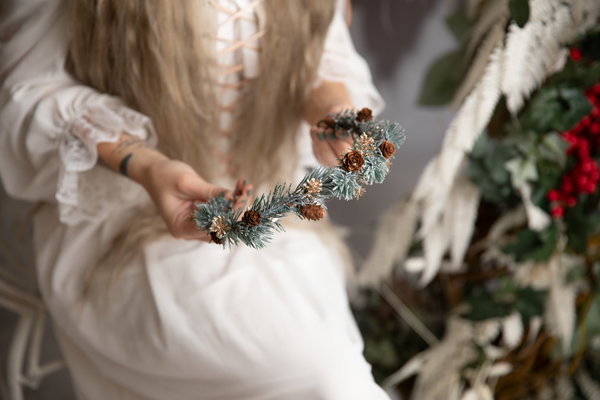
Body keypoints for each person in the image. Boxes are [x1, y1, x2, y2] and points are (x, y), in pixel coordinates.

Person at [0, 0, 388, 398]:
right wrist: (148, 167)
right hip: (124, 215)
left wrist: (333, 113)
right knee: (317, 373)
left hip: (269, 211)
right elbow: (30, 93)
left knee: (331, 368)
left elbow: (319, 55)